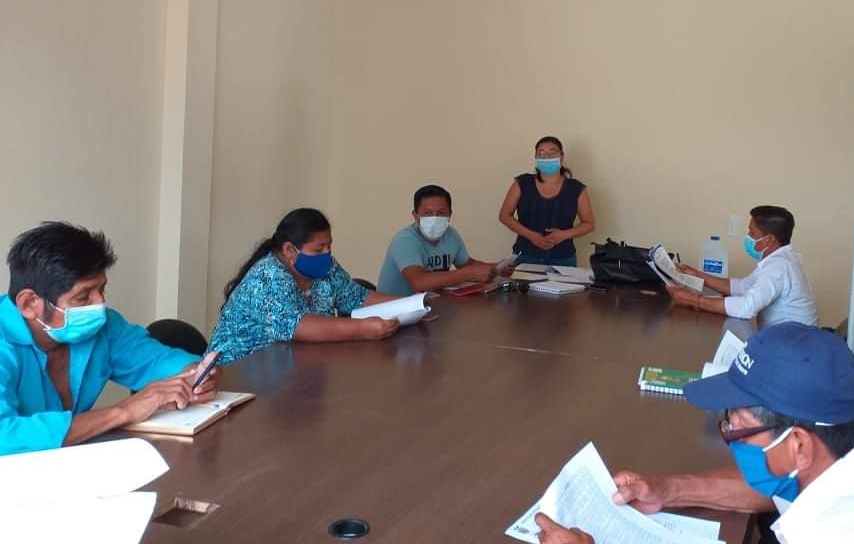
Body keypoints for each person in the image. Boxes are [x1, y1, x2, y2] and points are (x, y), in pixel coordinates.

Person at [534, 322, 854, 544]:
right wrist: (667, 490)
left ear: (798, 444)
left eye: (737, 426)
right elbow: (773, 491)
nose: (728, 436)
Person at [0, 222, 219, 456]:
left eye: (101, 290)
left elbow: (158, 361)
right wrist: (123, 412)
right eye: (83, 296)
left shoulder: (104, 327)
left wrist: (197, 375)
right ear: (29, 303)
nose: (100, 304)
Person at [209, 208, 399, 366]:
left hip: (294, 367)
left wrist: (411, 304)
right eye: (319, 248)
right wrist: (361, 329)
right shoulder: (267, 276)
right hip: (237, 374)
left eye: (329, 246)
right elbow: (298, 326)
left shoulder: (326, 268)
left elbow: (357, 297)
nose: (327, 254)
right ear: (289, 250)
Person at [668, 205, 818, 329]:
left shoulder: (778, 266)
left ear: (769, 239)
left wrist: (694, 300)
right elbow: (740, 287)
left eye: (752, 232)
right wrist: (696, 274)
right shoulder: (781, 259)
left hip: (792, 344)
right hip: (787, 338)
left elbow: (746, 307)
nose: (748, 236)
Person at [377, 185, 508, 295]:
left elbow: (467, 264)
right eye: (427, 213)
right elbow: (419, 282)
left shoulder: (451, 234)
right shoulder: (405, 240)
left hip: (432, 305)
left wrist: (497, 267)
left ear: (450, 215)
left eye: (441, 213)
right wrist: (469, 273)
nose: (434, 218)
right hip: (394, 311)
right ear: (415, 216)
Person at [498, 136, 595, 267]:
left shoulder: (576, 188)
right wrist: (531, 235)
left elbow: (589, 224)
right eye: (541, 153)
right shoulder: (522, 183)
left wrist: (563, 235)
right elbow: (504, 215)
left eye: (552, 153)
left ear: (562, 157)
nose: (546, 157)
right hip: (525, 256)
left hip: (563, 259)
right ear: (536, 157)